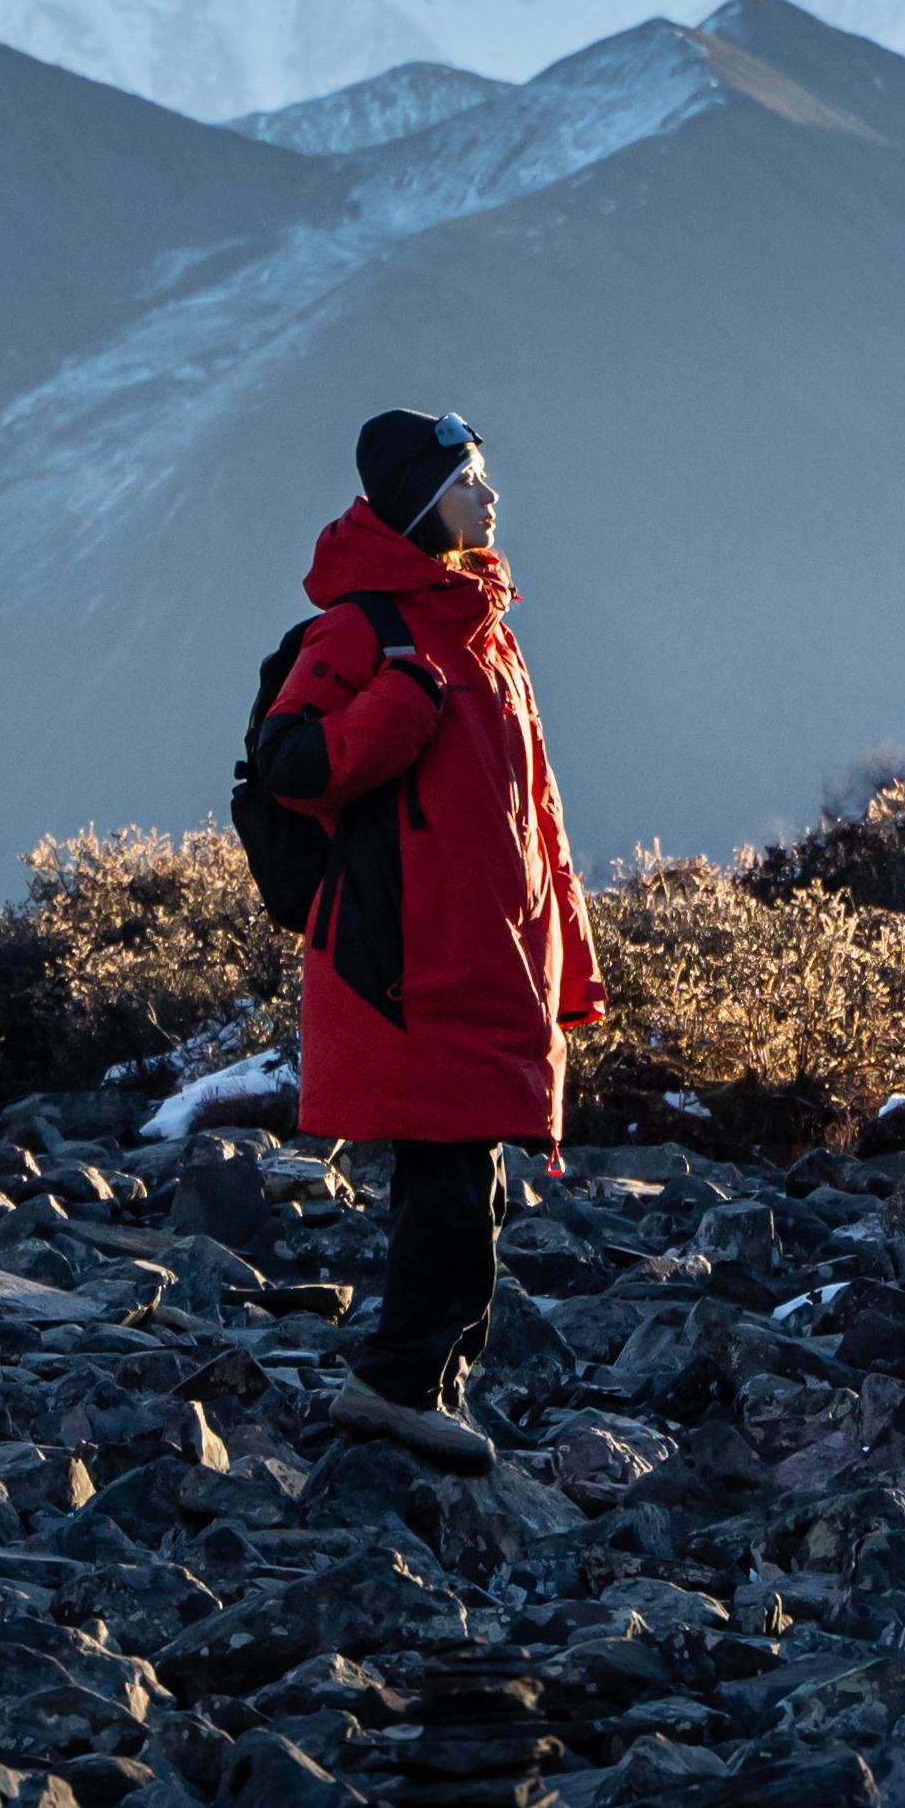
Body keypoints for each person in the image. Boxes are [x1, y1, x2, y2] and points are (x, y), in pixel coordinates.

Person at [267, 406, 602, 1472]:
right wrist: (403, 703)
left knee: (477, 1188)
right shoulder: (368, 633)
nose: (491, 497)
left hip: (494, 961)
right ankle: (396, 1384)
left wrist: (570, 964)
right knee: (449, 1188)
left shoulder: (487, 632)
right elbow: (293, 761)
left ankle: (434, 1382)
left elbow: (536, 815)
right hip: (410, 966)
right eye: (470, 481)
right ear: (422, 503)